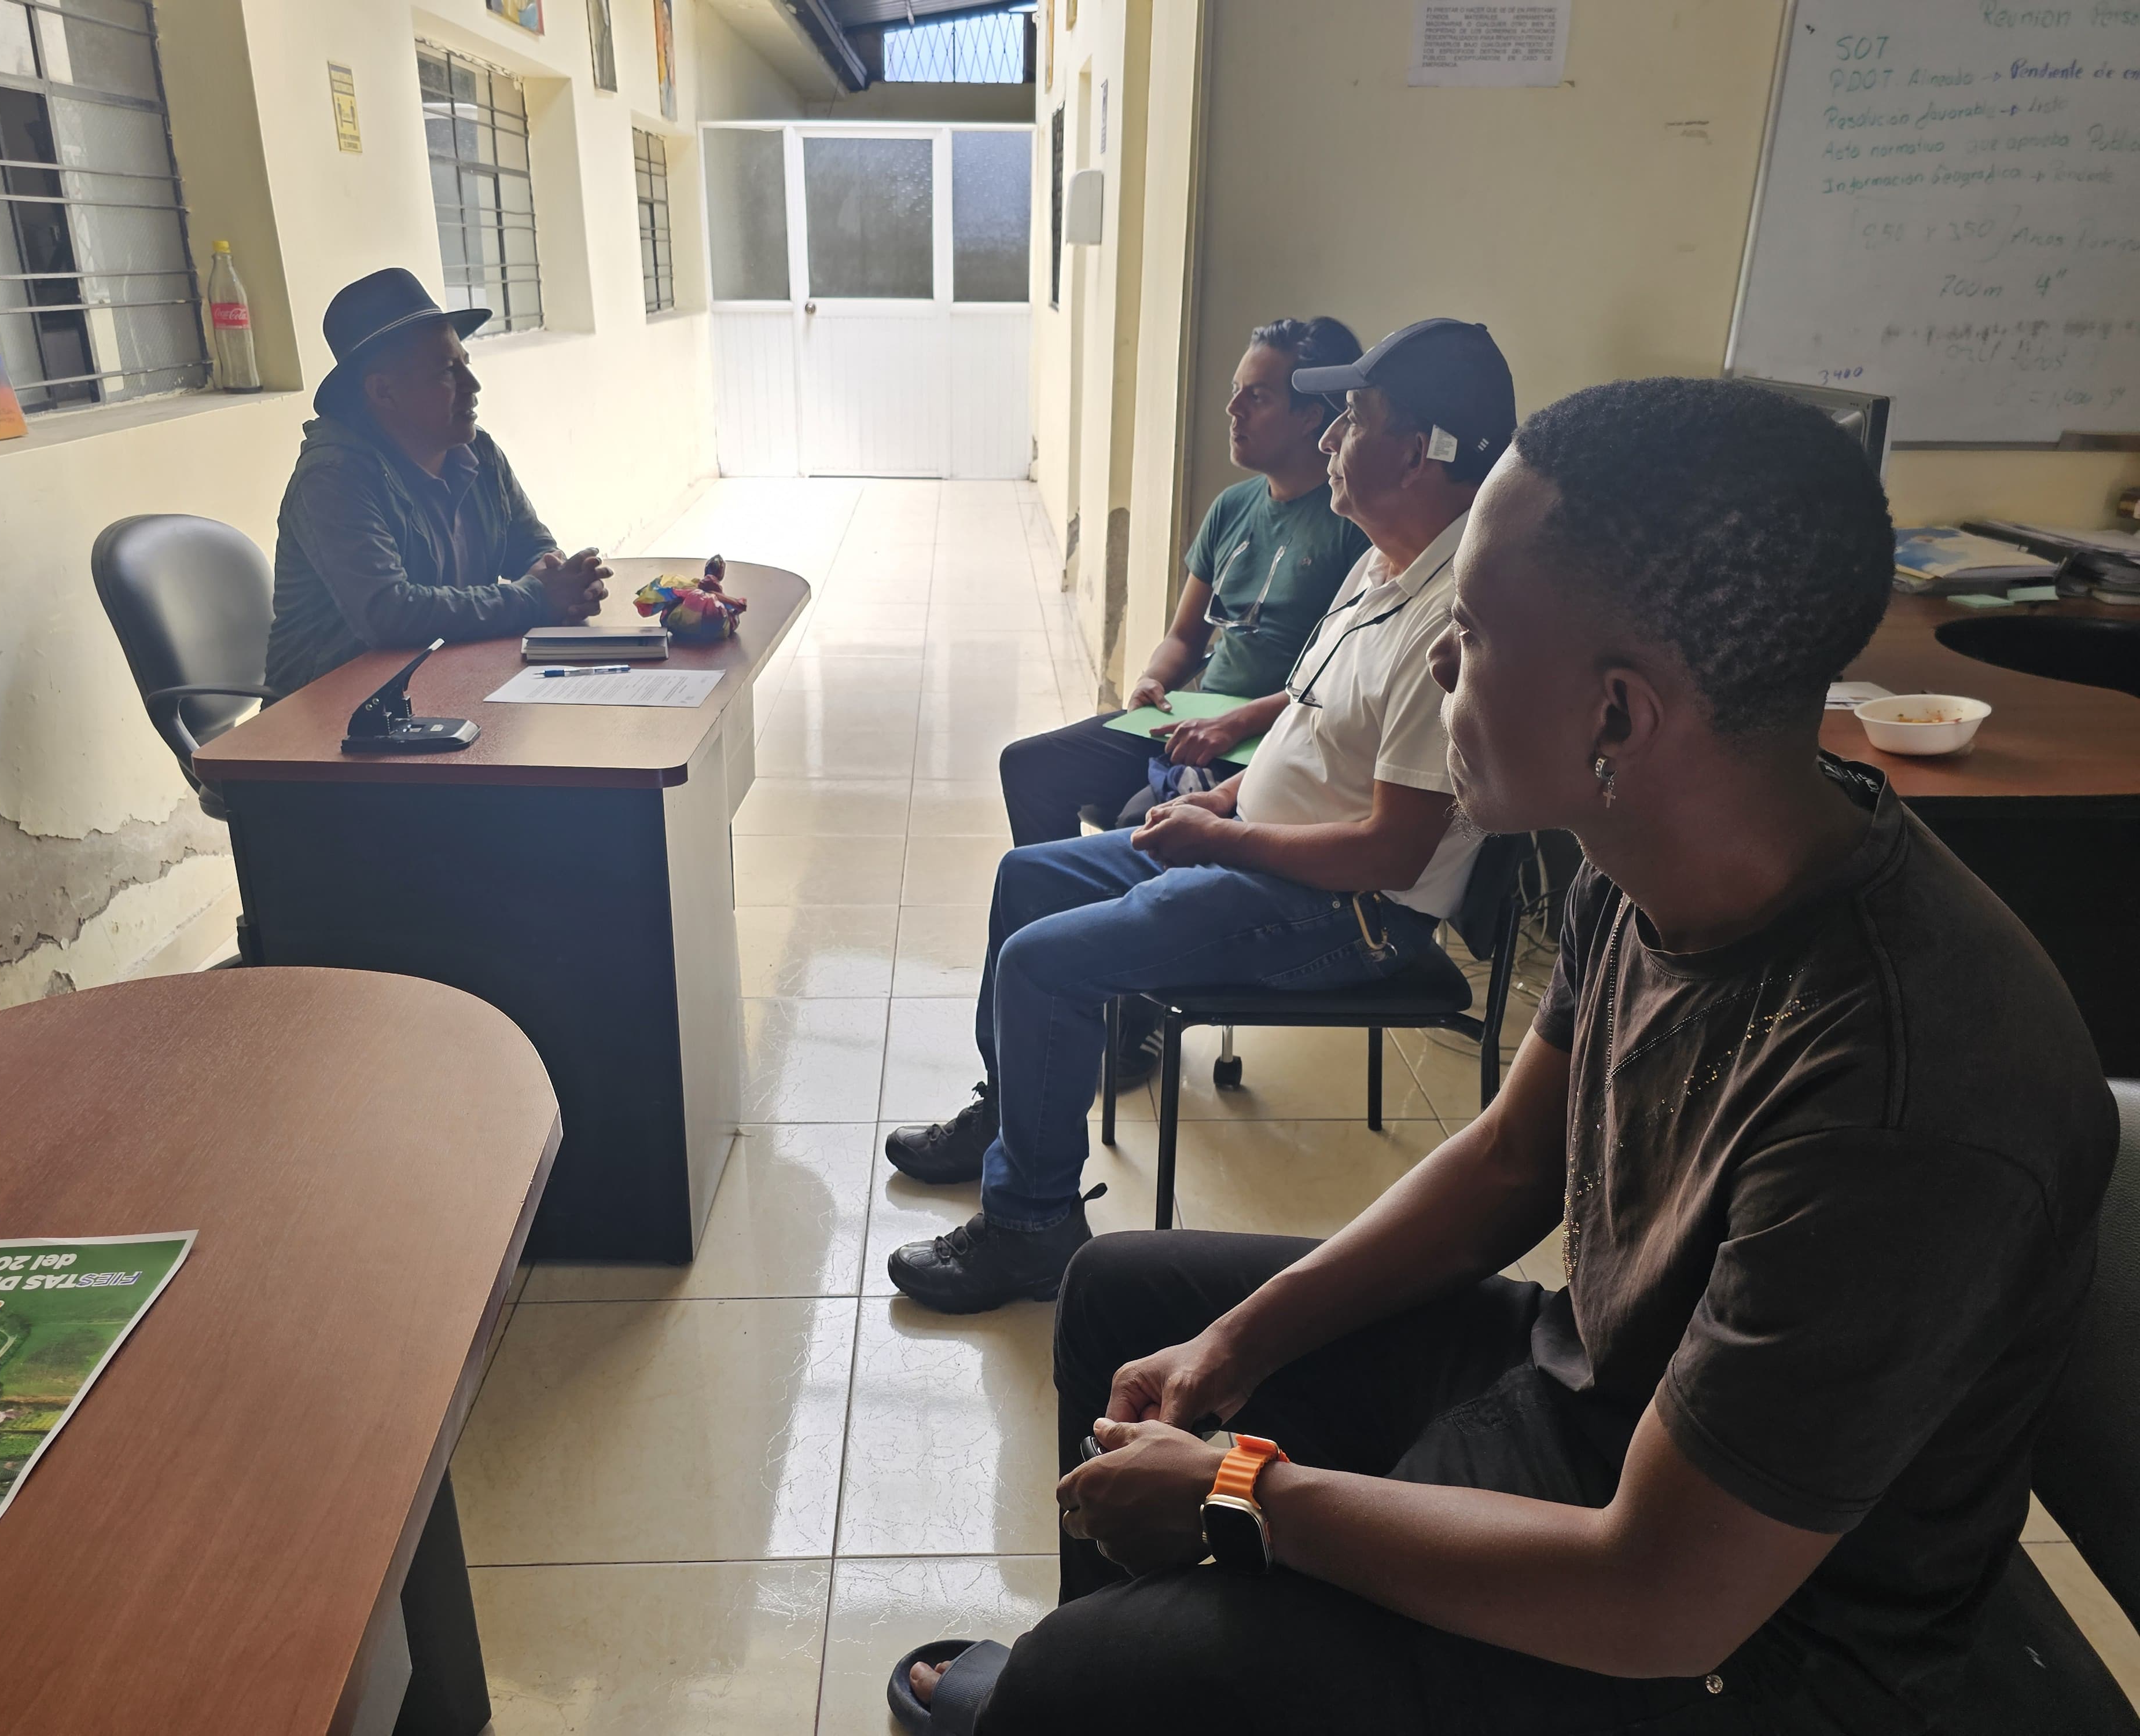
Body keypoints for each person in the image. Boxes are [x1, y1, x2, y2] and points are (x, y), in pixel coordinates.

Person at [886, 377, 2118, 1736]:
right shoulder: (1649, 862)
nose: (1437, 671)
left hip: (1751, 1643)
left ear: (1615, 718)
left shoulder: (1902, 1095)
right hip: (1594, 1405)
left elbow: (1661, 1598)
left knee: (1094, 1673)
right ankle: (1123, 1665)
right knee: (1131, 1304)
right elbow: (1509, 1159)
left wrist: (1242, 1494)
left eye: (1469, 635)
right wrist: (1237, 1344)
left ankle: (1093, 1683)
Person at [882, 320, 1517, 1316]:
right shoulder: (1382, 567)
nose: (1329, 437)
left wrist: (1221, 836)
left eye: (1354, 418)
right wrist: (1222, 796)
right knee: (1027, 878)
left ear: (1423, 451)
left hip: (1347, 914)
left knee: (1042, 964)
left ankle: (1031, 1227)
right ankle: (1014, 1117)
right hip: (1267, 856)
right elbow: (1309, 718)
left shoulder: (1455, 620)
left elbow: (1392, 852)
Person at [997, 318, 1371, 849]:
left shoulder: (1352, 527)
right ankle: (1049, 897)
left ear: (1311, 416)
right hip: (1195, 723)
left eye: (1257, 397)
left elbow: (1338, 686)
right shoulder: (1233, 507)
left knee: (1141, 830)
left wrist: (1237, 723)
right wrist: (1154, 680)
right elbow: (1184, 637)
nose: (1233, 409)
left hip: (1273, 738)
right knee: (1029, 767)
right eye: (1236, 391)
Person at [265, 268, 610, 696]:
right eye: (446, 372)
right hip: (330, 713)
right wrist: (538, 598)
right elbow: (390, 613)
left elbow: (532, 546)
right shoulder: (334, 478)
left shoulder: (478, 453)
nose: (473, 385)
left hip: (444, 685)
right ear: (384, 392)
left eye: (466, 364)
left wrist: (567, 581)